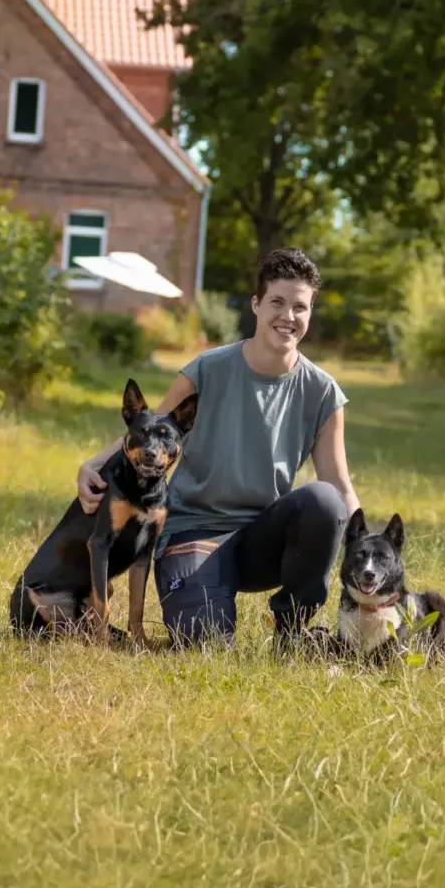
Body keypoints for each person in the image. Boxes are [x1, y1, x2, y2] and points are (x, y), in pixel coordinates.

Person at [77, 247, 360, 647]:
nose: (288, 316)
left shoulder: (322, 392)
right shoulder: (207, 369)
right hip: (193, 530)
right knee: (204, 644)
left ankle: (292, 632)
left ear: (311, 313)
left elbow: (339, 482)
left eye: (301, 307)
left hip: (263, 537)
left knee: (324, 502)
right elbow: (151, 427)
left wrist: (365, 545)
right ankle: (204, 606)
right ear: (257, 304)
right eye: (277, 302)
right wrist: (92, 463)